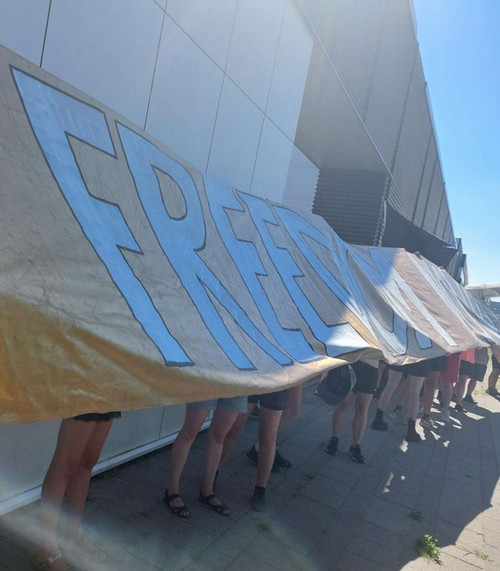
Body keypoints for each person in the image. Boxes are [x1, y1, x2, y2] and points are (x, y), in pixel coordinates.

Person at [32, 412, 120, 571]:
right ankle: (46, 549)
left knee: (88, 460)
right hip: (83, 390)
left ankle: (73, 533)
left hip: (109, 389)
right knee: (66, 463)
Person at [165, 396, 247, 518]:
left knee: (219, 436)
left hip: (238, 383)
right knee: (189, 432)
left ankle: (207, 490)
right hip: (210, 378)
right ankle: (172, 491)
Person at [218, 388, 290, 511]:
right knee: (233, 429)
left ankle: (260, 489)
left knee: (268, 436)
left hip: (277, 382)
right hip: (252, 376)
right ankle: (213, 472)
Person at [325, 361, 377, 463]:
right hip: (351, 363)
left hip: (371, 367)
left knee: (362, 409)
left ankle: (355, 446)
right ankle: (334, 439)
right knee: (343, 404)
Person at [245, 384, 303, 472]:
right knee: (290, 409)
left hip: (295, 372)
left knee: (292, 410)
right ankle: (263, 448)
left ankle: (261, 448)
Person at [371, 360, 432, 442]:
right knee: (414, 393)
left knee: (390, 385)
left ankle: (378, 417)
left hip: (403, 352)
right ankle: (411, 429)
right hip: (421, 356)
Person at [419, 356, 448, 431]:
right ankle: (399, 408)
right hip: (425, 351)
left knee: (431, 384)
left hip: (440, 353)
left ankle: (426, 417)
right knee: (413, 380)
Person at [439, 353, 461, 423]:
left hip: (453, 354)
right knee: (430, 380)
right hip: (438, 352)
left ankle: (445, 410)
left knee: (449, 383)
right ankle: (423, 408)